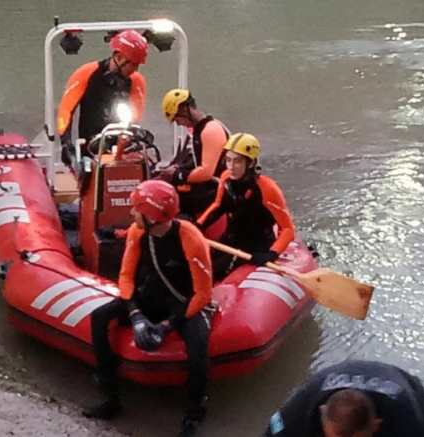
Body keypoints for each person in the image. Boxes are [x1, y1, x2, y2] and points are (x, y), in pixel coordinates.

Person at [83, 180, 214, 437]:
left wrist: (167, 326)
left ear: (152, 215)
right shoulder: (136, 232)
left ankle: (194, 413)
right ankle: (111, 397)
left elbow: (203, 294)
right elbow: (126, 278)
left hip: (184, 301)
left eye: (137, 209)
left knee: (198, 348)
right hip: (152, 295)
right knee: (100, 317)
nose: (132, 214)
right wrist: (136, 314)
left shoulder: (191, 239)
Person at [195, 133, 295, 282]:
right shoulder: (225, 178)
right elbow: (218, 206)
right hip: (230, 241)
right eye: (228, 160)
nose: (231, 166)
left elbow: (288, 229)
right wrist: (197, 227)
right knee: (192, 266)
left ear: (251, 163)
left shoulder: (267, 188)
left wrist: (272, 253)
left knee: (207, 274)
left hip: (255, 248)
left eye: (237, 161)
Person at [263, 359, 424, 437]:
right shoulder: (300, 408)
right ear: (322, 412)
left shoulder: (406, 422)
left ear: (376, 426)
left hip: (409, 389)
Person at [57, 29, 148, 170]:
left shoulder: (136, 80)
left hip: (121, 147)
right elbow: (66, 110)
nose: (135, 69)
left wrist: (127, 140)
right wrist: (66, 142)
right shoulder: (86, 73)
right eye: (133, 64)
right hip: (90, 146)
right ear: (118, 57)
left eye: (138, 65)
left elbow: (135, 116)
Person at [156, 89, 230, 219]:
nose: (178, 123)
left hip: (219, 189)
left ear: (185, 110)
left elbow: (206, 172)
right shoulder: (200, 130)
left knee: (170, 199)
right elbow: (196, 162)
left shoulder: (210, 130)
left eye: (176, 118)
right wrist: (177, 170)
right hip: (211, 186)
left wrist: (177, 175)